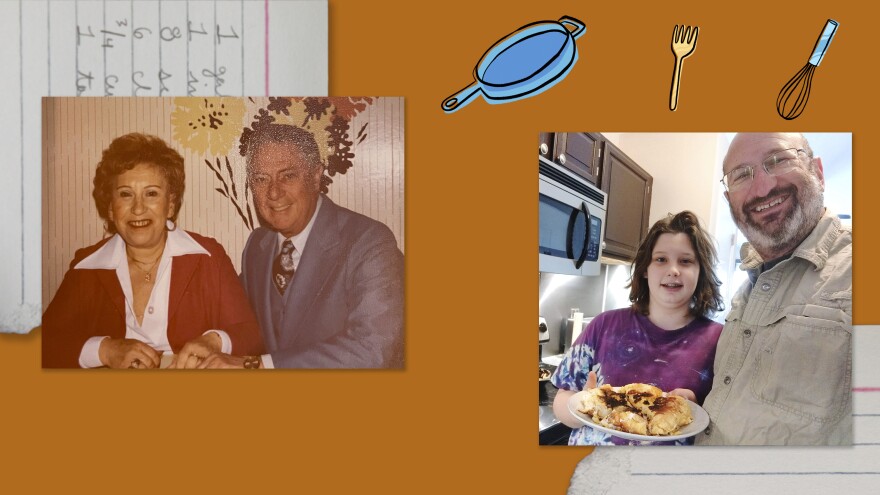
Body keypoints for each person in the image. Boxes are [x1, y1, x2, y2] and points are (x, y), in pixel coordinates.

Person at [42, 133, 264, 368]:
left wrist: (214, 341)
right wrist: (105, 350)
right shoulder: (86, 266)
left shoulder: (208, 257)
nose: (138, 208)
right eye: (126, 194)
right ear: (110, 208)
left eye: (151, 194)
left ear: (170, 205)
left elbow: (251, 334)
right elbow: (44, 343)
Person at [196, 123, 404, 369]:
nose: (274, 192)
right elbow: (241, 321)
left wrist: (259, 366)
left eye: (288, 176)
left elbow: (373, 350)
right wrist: (215, 340)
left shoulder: (370, 242)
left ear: (316, 177)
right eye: (261, 179)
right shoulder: (257, 246)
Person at [696, 132, 852, 445]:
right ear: (730, 201)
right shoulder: (746, 289)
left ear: (818, 172)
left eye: (778, 160)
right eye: (741, 175)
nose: (763, 187)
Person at [551, 211, 724, 445]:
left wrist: (690, 406)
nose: (673, 270)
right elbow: (562, 401)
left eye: (685, 261)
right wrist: (585, 406)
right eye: (661, 259)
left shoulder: (720, 341)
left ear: (700, 270)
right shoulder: (604, 325)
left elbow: (725, 423)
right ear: (645, 269)